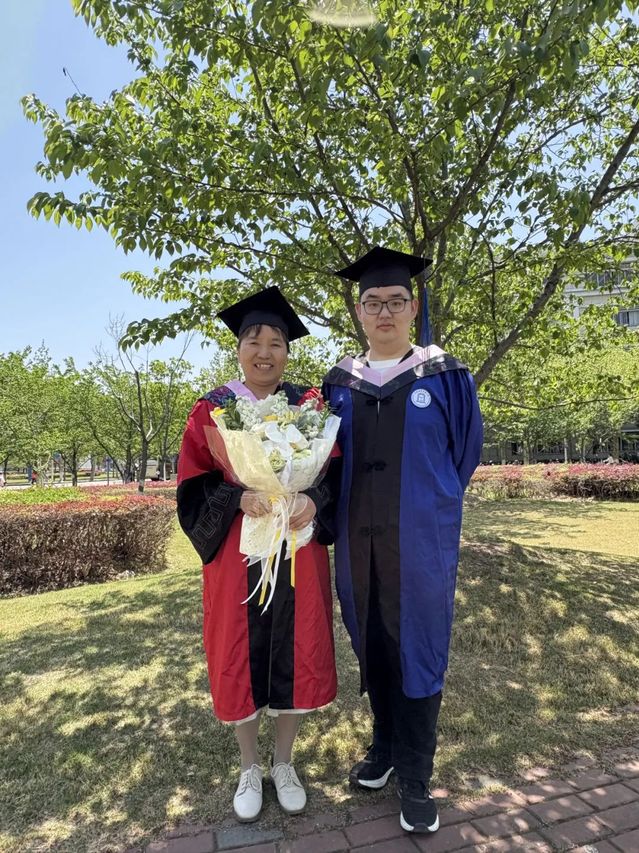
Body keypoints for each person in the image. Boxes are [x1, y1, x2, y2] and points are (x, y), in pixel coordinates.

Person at [322, 246, 483, 835]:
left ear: (414, 308)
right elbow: (325, 463)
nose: (384, 312)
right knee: (372, 637)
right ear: (359, 311)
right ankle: (386, 746)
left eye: (395, 301)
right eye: (373, 302)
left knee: (418, 645)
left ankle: (416, 775)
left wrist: (427, 507)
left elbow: (463, 456)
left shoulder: (446, 376)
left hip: (419, 544)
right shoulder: (339, 383)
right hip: (357, 542)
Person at [177, 286, 338, 824]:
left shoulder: (309, 406)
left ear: (288, 350)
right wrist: (236, 498)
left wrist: (312, 501)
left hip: (297, 547)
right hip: (236, 553)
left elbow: (335, 475)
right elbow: (191, 486)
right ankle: (249, 767)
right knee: (237, 652)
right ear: (239, 348)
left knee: (299, 646)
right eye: (254, 340)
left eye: (276, 342)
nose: (265, 352)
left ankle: (284, 762)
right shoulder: (212, 408)